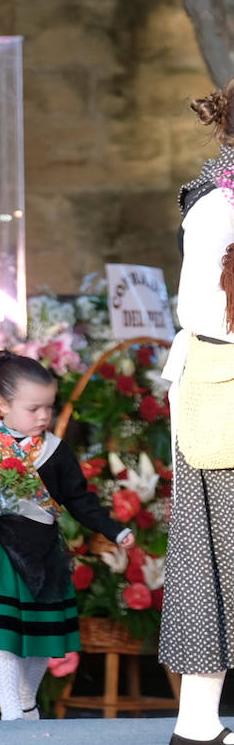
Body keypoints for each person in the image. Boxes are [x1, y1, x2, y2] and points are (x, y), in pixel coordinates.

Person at [0, 351, 134, 720]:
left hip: (44, 553)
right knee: (2, 644)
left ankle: (26, 704)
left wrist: (114, 529)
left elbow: (80, 500)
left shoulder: (56, 450)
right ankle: (11, 718)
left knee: (40, 641)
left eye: (48, 408)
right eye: (33, 409)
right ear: (2, 404)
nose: (44, 417)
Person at [158, 80, 234, 745]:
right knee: (210, 556)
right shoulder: (218, 205)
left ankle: (198, 722)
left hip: (216, 380)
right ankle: (197, 721)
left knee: (214, 556)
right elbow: (204, 309)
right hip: (220, 383)